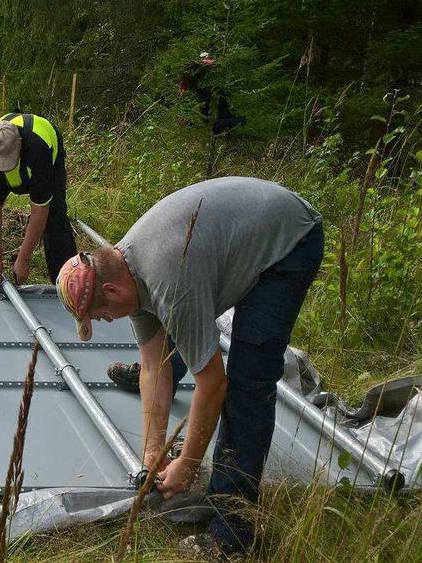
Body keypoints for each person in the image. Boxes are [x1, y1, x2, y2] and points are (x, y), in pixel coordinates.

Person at [55, 177, 323, 558]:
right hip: (233, 237)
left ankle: (233, 533)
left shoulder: (168, 281)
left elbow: (213, 384)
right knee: (187, 339)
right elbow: (153, 367)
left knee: (248, 380)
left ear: (111, 292)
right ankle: (222, 511)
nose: (106, 320)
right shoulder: (125, 272)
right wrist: (153, 449)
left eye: (100, 314)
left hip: (289, 240)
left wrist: (188, 462)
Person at [0, 113, 76, 286]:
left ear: (20, 146)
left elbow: (39, 210)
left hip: (43, 161)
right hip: (11, 165)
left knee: (55, 218)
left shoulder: (38, 149)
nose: (3, 168)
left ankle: (68, 283)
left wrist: (23, 259)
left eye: (7, 162)